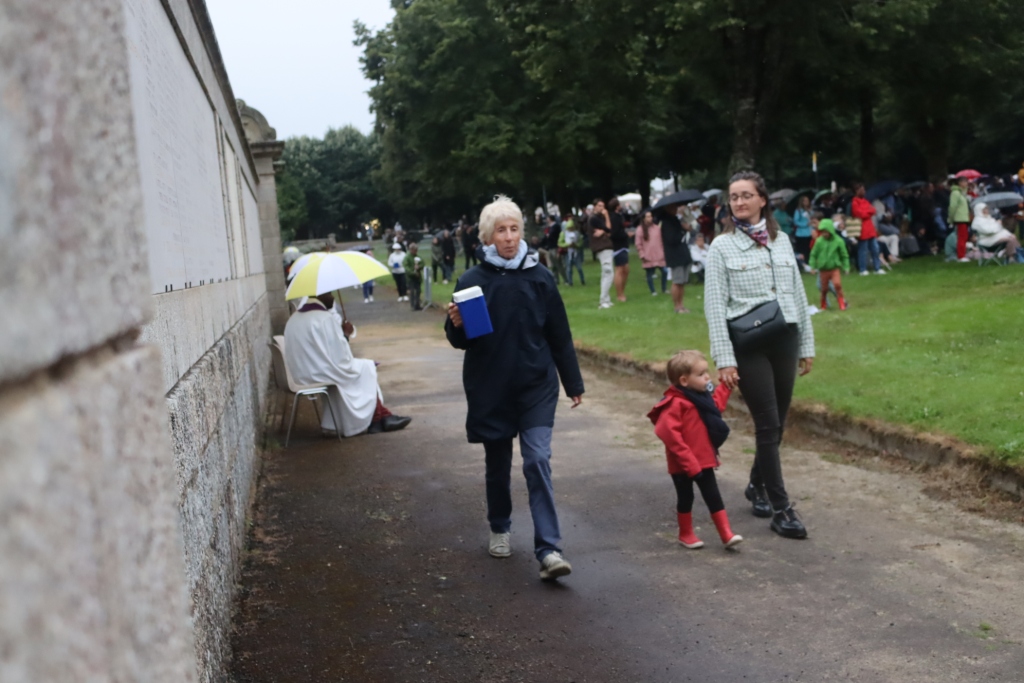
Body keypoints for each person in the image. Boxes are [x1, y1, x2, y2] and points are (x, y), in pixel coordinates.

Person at [445, 195, 584, 581]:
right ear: (487, 237)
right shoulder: (471, 282)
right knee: (497, 464)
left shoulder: (540, 277)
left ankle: (549, 549)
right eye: (501, 231)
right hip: (491, 386)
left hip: (536, 386)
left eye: (514, 229)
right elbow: (461, 341)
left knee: (537, 459)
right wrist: (456, 325)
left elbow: (559, 334)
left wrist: (572, 382)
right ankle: (500, 526)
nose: (509, 237)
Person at [704, 171, 815, 539]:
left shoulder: (781, 241)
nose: (739, 202)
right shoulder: (722, 247)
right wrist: (725, 359)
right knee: (767, 424)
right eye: (734, 196)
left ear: (762, 200)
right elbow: (714, 306)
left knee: (777, 424)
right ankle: (782, 508)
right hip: (748, 345)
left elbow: (798, 293)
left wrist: (807, 345)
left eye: (746, 195)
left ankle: (756, 484)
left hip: (786, 338)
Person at [648, 350, 742, 550]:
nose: (707, 377)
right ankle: (686, 533)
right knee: (686, 498)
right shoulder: (675, 403)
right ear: (684, 380)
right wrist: (689, 463)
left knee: (713, 496)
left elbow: (716, 407)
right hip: (682, 465)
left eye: (706, 372)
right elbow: (667, 433)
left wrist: (726, 386)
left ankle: (726, 533)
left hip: (704, 460)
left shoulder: (701, 398)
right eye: (701, 374)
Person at [284, 291, 411, 436]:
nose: (333, 297)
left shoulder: (294, 319)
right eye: (329, 294)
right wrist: (345, 335)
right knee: (367, 367)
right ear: (320, 296)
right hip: (319, 373)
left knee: (364, 366)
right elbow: (342, 357)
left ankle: (383, 417)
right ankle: (377, 419)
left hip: (301, 373)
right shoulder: (325, 318)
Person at [808, 218, 849, 310]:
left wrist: (846, 266)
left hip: (834, 268)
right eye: (822, 232)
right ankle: (825, 304)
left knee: (837, 285)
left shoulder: (838, 241)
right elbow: (813, 254)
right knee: (823, 288)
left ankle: (842, 302)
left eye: (826, 231)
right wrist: (812, 266)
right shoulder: (819, 241)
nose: (824, 234)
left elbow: (844, 255)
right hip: (823, 268)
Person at [659, 202, 692, 313]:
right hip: (675, 255)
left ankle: (681, 304)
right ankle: (677, 306)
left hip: (683, 252)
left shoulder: (675, 219)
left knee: (682, 282)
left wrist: (684, 228)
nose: (676, 209)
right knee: (677, 281)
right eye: (673, 207)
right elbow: (671, 239)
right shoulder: (666, 222)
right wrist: (682, 230)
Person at [851, 183, 885, 275]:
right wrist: (869, 212)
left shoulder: (865, 201)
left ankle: (877, 268)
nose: (864, 192)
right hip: (862, 229)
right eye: (862, 190)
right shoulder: (855, 202)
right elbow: (860, 214)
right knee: (863, 250)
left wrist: (867, 212)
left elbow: (873, 210)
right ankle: (863, 269)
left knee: (875, 249)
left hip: (870, 229)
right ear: (857, 191)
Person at [588, 199, 614, 308]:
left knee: (606, 273)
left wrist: (603, 231)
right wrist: (607, 216)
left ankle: (606, 299)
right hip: (602, 247)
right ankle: (603, 300)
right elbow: (608, 229)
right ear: (594, 206)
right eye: (599, 206)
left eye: (603, 206)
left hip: (604, 247)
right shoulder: (594, 218)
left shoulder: (598, 218)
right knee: (608, 273)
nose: (602, 208)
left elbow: (607, 231)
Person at [635, 209, 667, 295]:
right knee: (650, 274)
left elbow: (661, 241)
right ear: (644, 218)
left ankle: (664, 289)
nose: (650, 218)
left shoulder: (657, 228)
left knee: (665, 271)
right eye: (648, 217)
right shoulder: (640, 229)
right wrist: (642, 254)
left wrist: (663, 252)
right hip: (648, 255)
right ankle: (653, 291)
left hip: (659, 255)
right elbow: (638, 244)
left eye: (651, 216)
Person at [606, 197, 631, 301]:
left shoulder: (618, 216)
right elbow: (615, 234)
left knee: (626, 269)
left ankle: (622, 292)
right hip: (618, 246)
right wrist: (626, 235)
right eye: (619, 204)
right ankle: (619, 294)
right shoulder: (614, 218)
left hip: (623, 246)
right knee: (620, 270)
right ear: (616, 206)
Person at [948, 177, 972, 262]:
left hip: (964, 217)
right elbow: (952, 206)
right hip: (959, 218)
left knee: (964, 237)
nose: (966, 184)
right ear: (959, 183)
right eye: (964, 182)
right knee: (961, 237)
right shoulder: (955, 193)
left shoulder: (962, 193)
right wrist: (951, 219)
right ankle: (961, 256)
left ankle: (963, 254)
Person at [559, 214, 585, 286]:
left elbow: (580, 242)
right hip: (568, 252)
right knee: (569, 268)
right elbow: (560, 243)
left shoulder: (577, 233)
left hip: (576, 252)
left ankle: (582, 281)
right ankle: (570, 282)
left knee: (579, 268)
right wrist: (567, 245)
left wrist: (576, 245)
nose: (570, 229)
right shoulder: (563, 234)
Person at [403, 243, 424, 310]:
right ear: (411, 250)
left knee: (418, 291)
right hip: (410, 278)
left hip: (418, 277)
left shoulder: (418, 257)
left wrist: (419, 267)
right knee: (412, 291)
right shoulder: (407, 258)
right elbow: (406, 267)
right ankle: (413, 305)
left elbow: (423, 263)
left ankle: (417, 304)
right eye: (414, 250)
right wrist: (413, 272)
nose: (416, 251)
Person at [793, 195, 813, 265]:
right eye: (805, 201)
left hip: (809, 232)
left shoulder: (810, 210)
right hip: (801, 233)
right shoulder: (798, 210)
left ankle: (808, 262)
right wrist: (805, 224)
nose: (807, 202)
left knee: (809, 249)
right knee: (802, 249)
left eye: (808, 201)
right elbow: (796, 221)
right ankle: (802, 263)